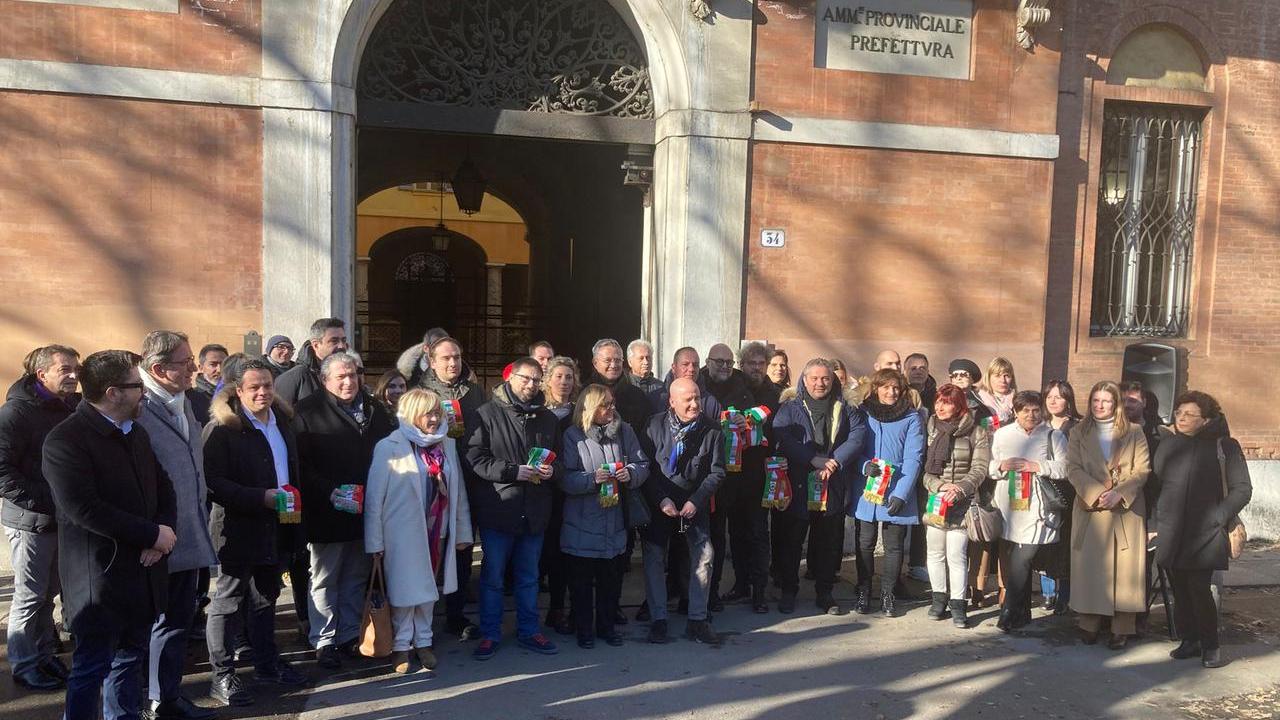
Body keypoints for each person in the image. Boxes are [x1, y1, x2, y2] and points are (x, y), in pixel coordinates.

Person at [42, 350, 177, 720]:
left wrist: (162, 533)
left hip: (143, 572)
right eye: (138, 386)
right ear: (114, 392)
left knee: (130, 658)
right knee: (92, 667)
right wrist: (150, 534)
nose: (145, 393)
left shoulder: (137, 432)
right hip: (99, 579)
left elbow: (164, 487)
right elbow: (83, 508)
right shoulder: (65, 440)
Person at [203, 359, 307, 706]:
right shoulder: (222, 428)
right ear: (237, 390)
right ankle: (222, 676)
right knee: (228, 602)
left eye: (267, 385)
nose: (263, 392)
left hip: (278, 525)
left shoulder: (283, 422)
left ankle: (267, 664)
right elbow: (213, 483)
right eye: (254, 387)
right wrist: (258, 497)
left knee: (266, 597)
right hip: (237, 528)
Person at [292, 351, 395, 668]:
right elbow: (301, 465)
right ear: (325, 381)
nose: (350, 381)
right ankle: (324, 640)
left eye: (354, 375)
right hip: (327, 511)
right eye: (341, 377)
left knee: (356, 575)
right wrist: (329, 491)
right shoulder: (306, 412)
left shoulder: (375, 409)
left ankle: (350, 634)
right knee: (325, 578)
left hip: (366, 510)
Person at [136, 332, 219, 720]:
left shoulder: (183, 399)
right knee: (157, 624)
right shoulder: (136, 403)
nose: (195, 368)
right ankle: (156, 700)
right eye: (186, 362)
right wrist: (150, 531)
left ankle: (166, 695)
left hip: (189, 529)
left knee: (178, 620)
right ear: (158, 369)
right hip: (156, 538)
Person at [365, 389, 473, 674]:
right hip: (401, 533)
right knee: (403, 590)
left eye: (438, 412)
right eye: (429, 413)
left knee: (427, 588)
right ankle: (401, 646)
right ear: (413, 414)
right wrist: (374, 540)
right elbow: (375, 499)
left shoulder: (446, 445)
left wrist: (462, 531)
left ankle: (423, 641)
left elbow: (458, 489)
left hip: (437, 529)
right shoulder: (389, 446)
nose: (435, 419)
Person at [466, 357, 563, 660]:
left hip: (534, 511)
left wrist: (552, 471)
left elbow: (560, 461)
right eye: (526, 379)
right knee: (493, 577)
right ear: (510, 377)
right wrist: (511, 471)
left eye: (537, 380)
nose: (531, 385)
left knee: (528, 577)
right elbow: (475, 459)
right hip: (500, 509)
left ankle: (529, 630)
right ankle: (490, 633)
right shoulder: (486, 414)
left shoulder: (547, 418)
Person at [1151, 391, 1252, 669]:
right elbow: (1156, 485)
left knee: (1199, 588)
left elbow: (1242, 489)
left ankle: (1211, 645)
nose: (1181, 419)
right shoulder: (1169, 445)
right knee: (1179, 588)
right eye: (1178, 413)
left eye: (1189, 415)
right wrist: (1153, 524)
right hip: (1172, 529)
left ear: (1205, 420)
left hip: (1206, 531)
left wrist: (1218, 516)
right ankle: (1189, 639)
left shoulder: (1225, 446)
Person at [0, 344, 79, 692]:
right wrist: (47, 501)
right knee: (29, 595)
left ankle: (45, 656)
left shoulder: (68, 408)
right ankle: (23, 663)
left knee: (50, 594)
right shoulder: (15, 414)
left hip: (58, 518)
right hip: (29, 520)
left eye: (75, 368)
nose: (74, 375)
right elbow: (3, 472)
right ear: (41, 374)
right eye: (65, 369)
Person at [772, 358, 866, 615]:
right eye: (814, 378)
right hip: (799, 481)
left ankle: (825, 593)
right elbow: (781, 434)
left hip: (832, 481)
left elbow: (858, 436)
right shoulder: (790, 406)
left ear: (832, 380)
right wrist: (810, 458)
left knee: (828, 542)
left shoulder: (847, 406)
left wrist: (835, 461)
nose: (819, 383)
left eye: (825, 378)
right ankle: (788, 591)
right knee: (792, 541)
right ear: (804, 380)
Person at [560, 384, 650, 648]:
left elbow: (642, 463)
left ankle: (607, 627)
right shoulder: (572, 436)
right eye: (605, 405)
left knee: (611, 582)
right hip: (582, 523)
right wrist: (591, 479)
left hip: (615, 522)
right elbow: (564, 478)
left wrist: (630, 473)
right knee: (582, 584)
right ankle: (584, 630)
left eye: (612, 403)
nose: (611, 409)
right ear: (589, 409)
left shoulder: (625, 431)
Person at [638, 377, 725, 646]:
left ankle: (697, 620)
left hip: (692, 504)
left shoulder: (712, 430)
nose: (694, 404)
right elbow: (646, 468)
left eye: (697, 397)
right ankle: (659, 620)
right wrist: (661, 499)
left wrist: (696, 501)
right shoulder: (653, 425)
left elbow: (717, 472)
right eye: (687, 399)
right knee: (653, 557)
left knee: (704, 555)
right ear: (671, 401)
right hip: (661, 504)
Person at [1066, 381, 1151, 649]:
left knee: (1125, 572)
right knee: (1091, 567)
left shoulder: (1135, 432)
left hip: (1125, 510)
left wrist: (1120, 493)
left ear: (1116, 404)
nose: (1099, 406)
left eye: (1105, 401)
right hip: (1091, 508)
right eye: (1095, 401)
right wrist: (1095, 493)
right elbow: (1073, 468)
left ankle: (1122, 628)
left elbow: (1142, 470)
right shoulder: (1078, 431)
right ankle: (1088, 624)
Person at [415, 335, 485, 638]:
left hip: (469, 475)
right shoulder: (421, 390)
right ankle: (421, 619)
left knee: (462, 545)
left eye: (456, 357)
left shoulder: (474, 391)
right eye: (445, 358)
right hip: (433, 477)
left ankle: (456, 614)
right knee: (428, 548)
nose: (453, 363)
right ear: (432, 361)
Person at [989, 391, 1068, 632]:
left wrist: (1037, 466)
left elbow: (1066, 468)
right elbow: (989, 466)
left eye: (1035, 410)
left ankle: (1008, 612)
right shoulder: (1002, 434)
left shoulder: (1052, 436)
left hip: (1038, 508)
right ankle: (1022, 614)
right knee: (1016, 558)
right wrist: (1002, 465)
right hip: (1009, 506)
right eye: (1025, 411)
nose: (1031, 415)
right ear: (1015, 412)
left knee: (1022, 558)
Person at [853, 369, 924, 617]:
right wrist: (864, 465)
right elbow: (853, 444)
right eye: (885, 387)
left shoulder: (912, 417)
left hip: (898, 487)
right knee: (865, 543)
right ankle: (863, 592)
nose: (891, 392)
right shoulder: (863, 412)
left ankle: (888, 593)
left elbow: (914, 457)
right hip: (868, 487)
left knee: (894, 546)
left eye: (896, 387)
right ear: (876, 388)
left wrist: (902, 493)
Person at [920, 383, 990, 628]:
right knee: (935, 553)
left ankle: (959, 604)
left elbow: (980, 468)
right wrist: (939, 486)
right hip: (936, 499)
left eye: (946, 402)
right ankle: (938, 599)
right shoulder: (930, 427)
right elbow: (924, 469)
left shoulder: (976, 432)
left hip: (963, 502)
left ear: (959, 405)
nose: (940, 407)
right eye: (938, 401)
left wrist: (960, 489)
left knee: (956, 555)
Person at [699, 343, 755, 612]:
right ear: (708, 361)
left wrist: (748, 424)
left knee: (734, 535)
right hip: (705, 473)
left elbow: (756, 425)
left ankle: (728, 588)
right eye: (718, 361)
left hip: (738, 475)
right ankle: (701, 592)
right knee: (708, 535)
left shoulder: (743, 388)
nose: (723, 366)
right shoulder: (697, 386)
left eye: (728, 362)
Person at [541, 355, 580, 635]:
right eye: (559, 376)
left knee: (565, 554)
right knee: (545, 552)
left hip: (572, 489)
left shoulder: (579, 412)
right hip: (542, 490)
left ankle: (561, 608)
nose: (564, 382)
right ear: (548, 380)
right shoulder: (538, 411)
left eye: (569, 377)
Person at [1039, 379, 1082, 613]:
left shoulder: (1078, 426)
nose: (1054, 401)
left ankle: (1064, 594)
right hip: (1041, 490)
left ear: (1068, 399)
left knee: (1065, 543)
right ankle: (1048, 593)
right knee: (1045, 541)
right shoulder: (1038, 424)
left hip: (1068, 490)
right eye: (1049, 396)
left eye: (1059, 396)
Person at [904, 352, 937, 584]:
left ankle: (917, 562)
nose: (918, 370)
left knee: (923, 513)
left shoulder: (937, 395)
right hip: (903, 461)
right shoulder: (897, 392)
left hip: (929, 463)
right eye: (913, 367)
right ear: (906, 371)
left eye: (922, 367)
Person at [275, 318, 349, 406]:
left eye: (343, 340)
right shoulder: (294, 378)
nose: (341, 346)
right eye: (334, 341)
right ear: (316, 345)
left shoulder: (350, 375)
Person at [587, 338, 653, 433]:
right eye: (607, 360)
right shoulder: (584, 394)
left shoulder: (636, 395)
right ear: (595, 363)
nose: (613, 365)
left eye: (617, 360)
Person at [188, 343, 227, 427]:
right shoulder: (190, 399)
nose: (219, 370)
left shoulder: (237, 396)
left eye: (224, 364)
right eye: (213, 364)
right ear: (201, 368)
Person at [977, 357, 1018, 427]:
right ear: (988, 377)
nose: (1003, 380)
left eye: (1006, 376)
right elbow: (979, 423)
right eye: (997, 376)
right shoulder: (978, 399)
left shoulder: (1018, 400)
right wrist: (1005, 420)